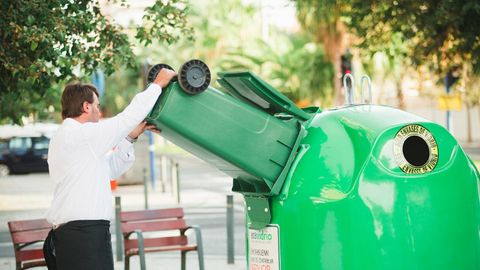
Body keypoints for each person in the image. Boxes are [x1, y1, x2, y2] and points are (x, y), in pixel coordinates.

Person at [43, 68, 177, 270]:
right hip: (83, 235)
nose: (100, 110)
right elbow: (126, 119)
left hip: (80, 234)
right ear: (86, 107)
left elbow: (109, 170)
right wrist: (157, 85)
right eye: (97, 105)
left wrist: (129, 138)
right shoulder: (82, 135)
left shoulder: (71, 138)